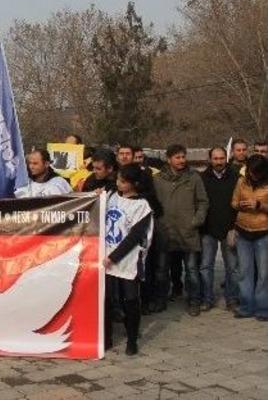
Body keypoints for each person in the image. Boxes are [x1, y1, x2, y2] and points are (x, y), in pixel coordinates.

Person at [103, 164, 154, 355]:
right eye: (117, 180)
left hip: (127, 260)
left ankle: (131, 339)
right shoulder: (111, 196)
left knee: (130, 300)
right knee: (107, 299)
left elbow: (134, 237)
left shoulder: (142, 206)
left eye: (123, 182)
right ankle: (106, 338)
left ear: (134, 184)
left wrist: (114, 257)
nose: (118, 184)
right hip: (106, 256)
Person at [153, 145, 209, 316]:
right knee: (162, 270)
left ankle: (194, 300)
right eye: (177, 157)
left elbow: (203, 201)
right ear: (168, 159)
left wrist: (196, 221)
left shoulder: (193, 177)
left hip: (188, 231)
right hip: (165, 231)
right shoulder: (157, 179)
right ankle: (161, 299)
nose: (182, 160)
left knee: (192, 270)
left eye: (183, 157)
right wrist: (157, 223)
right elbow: (151, 203)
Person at [199, 147, 240, 311]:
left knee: (233, 267)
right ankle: (207, 298)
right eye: (215, 159)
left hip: (230, 229)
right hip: (207, 229)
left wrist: (236, 226)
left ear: (226, 158)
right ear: (210, 160)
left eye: (221, 158)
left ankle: (232, 298)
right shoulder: (201, 178)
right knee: (205, 266)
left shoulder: (236, 177)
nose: (219, 162)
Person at [230, 155, 268, 320]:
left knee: (263, 274)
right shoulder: (242, 182)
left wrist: (259, 205)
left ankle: (262, 308)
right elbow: (233, 202)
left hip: (263, 231)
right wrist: (240, 205)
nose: (253, 175)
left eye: (256, 173)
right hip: (243, 230)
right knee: (244, 272)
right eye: (251, 172)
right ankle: (246, 306)